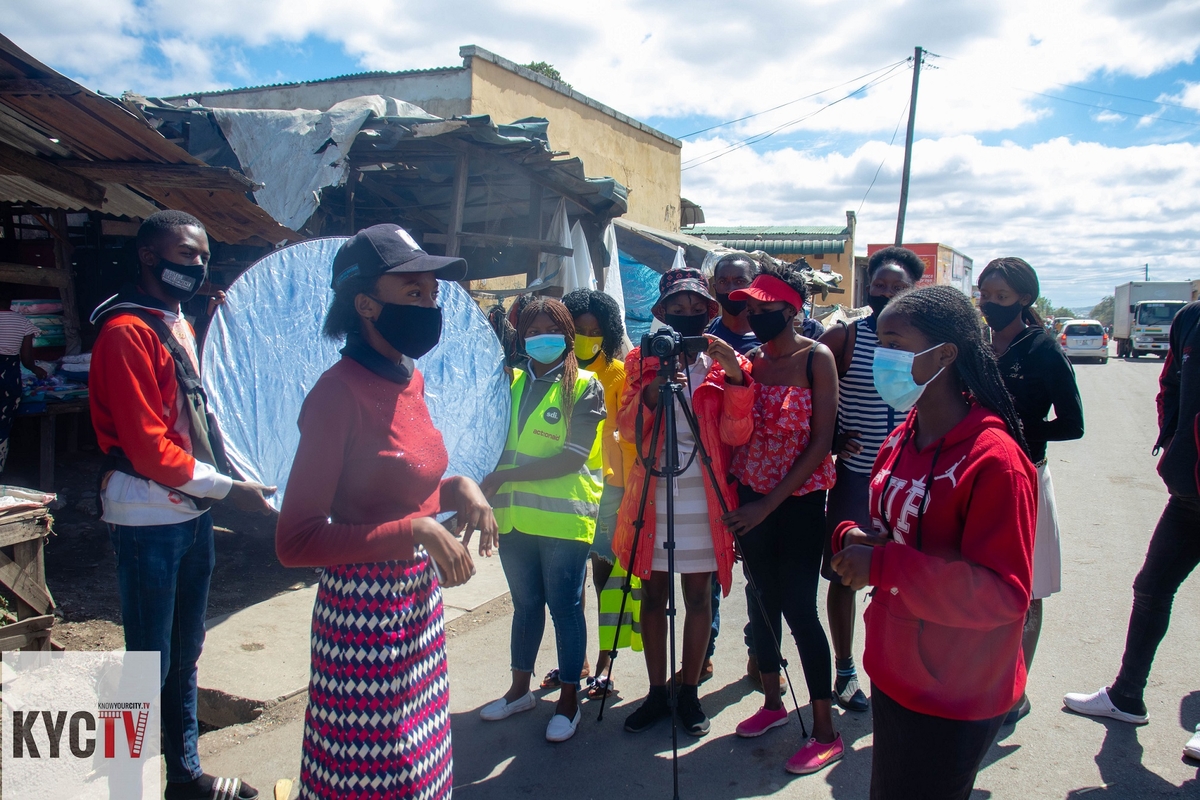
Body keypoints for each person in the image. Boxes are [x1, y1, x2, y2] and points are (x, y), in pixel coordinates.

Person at [274, 224, 491, 799]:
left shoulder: (409, 377)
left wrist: (456, 489)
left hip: (417, 611)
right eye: (413, 292)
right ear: (365, 304)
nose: (429, 305)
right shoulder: (335, 395)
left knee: (423, 770)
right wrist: (418, 529)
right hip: (361, 625)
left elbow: (397, 484)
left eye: (433, 294)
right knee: (372, 779)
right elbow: (295, 541)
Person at [89, 210, 274, 800]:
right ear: (149, 256)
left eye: (201, 255)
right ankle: (124, 779)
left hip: (188, 512)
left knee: (185, 650)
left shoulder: (175, 323)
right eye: (185, 254)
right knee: (146, 659)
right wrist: (227, 491)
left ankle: (184, 774)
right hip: (147, 514)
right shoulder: (126, 332)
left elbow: (197, 413)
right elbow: (147, 446)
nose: (196, 265)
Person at [831, 285, 1037, 800]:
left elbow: (1004, 595)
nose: (880, 357)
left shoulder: (995, 461)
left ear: (945, 355)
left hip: (957, 690)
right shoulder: (903, 435)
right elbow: (889, 529)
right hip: (895, 669)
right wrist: (852, 538)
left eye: (894, 344)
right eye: (878, 343)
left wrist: (882, 568)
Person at [615, 267, 752, 737]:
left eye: (697, 309)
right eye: (678, 309)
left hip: (704, 492)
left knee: (698, 596)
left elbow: (737, 433)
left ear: (710, 313)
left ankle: (688, 691)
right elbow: (628, 425)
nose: (688, 316)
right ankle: (656, 692)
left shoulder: (723, 361)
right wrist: (658, 379)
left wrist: (734, 378)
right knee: (652, 595)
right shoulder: (642, 359)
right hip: (652, 492)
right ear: (662, 313)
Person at [1064, 298, 1200, 763]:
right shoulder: (1190, 319)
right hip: (1190, 490)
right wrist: (1177, 444)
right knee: (1151, 588)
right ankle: (1126, 695)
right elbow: (1173, 389)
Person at [719, 264, 842, 775]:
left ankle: (825, 729)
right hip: (750, 496)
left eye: (765, 309)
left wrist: (766, 505)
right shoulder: (749, 361)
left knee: (798, 605)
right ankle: (772, 703)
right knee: (761, 600)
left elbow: (820, 444)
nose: (753, 315)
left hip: (797, 501)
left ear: (790, 310)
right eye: (749, 308)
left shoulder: (818, 358)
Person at [478, 297, 606, 744]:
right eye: (531, 330)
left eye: (550, 328)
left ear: (568, 334)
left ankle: (569, 701)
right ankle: (519, 691)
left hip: (564, 521)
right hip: (513, 518)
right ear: (520, 338)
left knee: (565, 607)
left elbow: (572, 457)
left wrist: (504, 476)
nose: (540, 337)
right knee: (526, 606)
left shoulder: (585, 386)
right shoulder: (507, 382)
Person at [817, 245, 924, 713]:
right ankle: (844, 670)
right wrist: (836, 436)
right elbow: (820, 396)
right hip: (858, 479)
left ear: (913, 291)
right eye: (879, 285)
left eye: (896, 287)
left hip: (913, 478)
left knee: (907, 575)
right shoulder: (848, 338)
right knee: (845, 574)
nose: (886, 293)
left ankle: (902, 670)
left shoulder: (926, 342)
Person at [978, 256, 1083, 726]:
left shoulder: (1043, 349)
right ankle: (982, 679)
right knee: (981, 580)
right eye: (985, 295)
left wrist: (1024, 431)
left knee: (1028, 588)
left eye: (1001, 297)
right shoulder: (976, 344)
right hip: (978, 476)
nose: (991, 304)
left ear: (1024, 299)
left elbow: (1074, 425)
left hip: (1027, 478)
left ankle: (1015, 692)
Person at [562, 289, 639, 699]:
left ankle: (606, 663)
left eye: (594, 331)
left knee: (607, 578)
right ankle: (577, 661)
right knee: (570, 581)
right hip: (567, 491)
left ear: (607, 333)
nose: (587, 337)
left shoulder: (618, 374)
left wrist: (626, 489)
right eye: (579, 330)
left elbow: (627, 436)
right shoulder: (557, 371)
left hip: (609, 490)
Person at [0, 293, 47, 471]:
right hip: (9, 378)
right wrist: (36, 370)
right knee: (3, 426)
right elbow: (26, 359)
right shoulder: (22, 322)